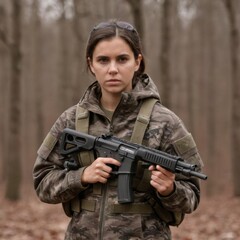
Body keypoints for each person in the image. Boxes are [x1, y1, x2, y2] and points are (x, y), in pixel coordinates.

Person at [33, 20, 204, 240]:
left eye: (122, 59)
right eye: (103, 60)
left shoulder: (166, 123)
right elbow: (42, 182)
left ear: (137, 62)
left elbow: (192, 196)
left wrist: (170, 190)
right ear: (91, 64)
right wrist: (82, 176)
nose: (112, 69)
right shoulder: (71, 120)